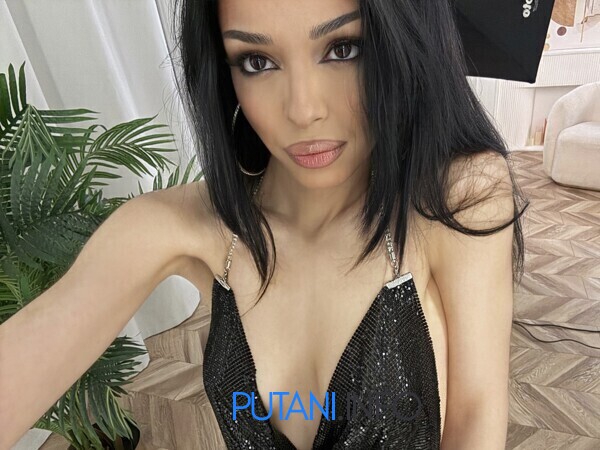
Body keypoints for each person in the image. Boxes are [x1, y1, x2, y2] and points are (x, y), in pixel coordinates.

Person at [0, 0, 528, 448]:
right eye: (257, 61)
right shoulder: (179, 227)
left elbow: (475, 415)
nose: (303, 109)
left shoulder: (459, 196)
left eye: (343, 48)